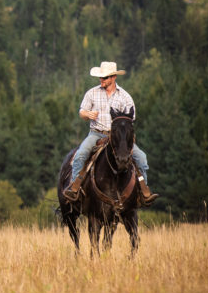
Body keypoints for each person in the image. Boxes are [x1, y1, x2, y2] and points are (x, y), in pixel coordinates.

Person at [62, 61, 159, 205]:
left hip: (119, 138)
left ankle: (143, 192)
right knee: (81, 154)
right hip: (96, 133)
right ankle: (74, 188)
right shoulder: (92, 93)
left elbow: (130, 120)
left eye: (105, 77)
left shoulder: (125, 97)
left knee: (141, 158)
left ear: (113, 78)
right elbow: (81, 112)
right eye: (101, 77)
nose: (102, 80)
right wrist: (88, 114)